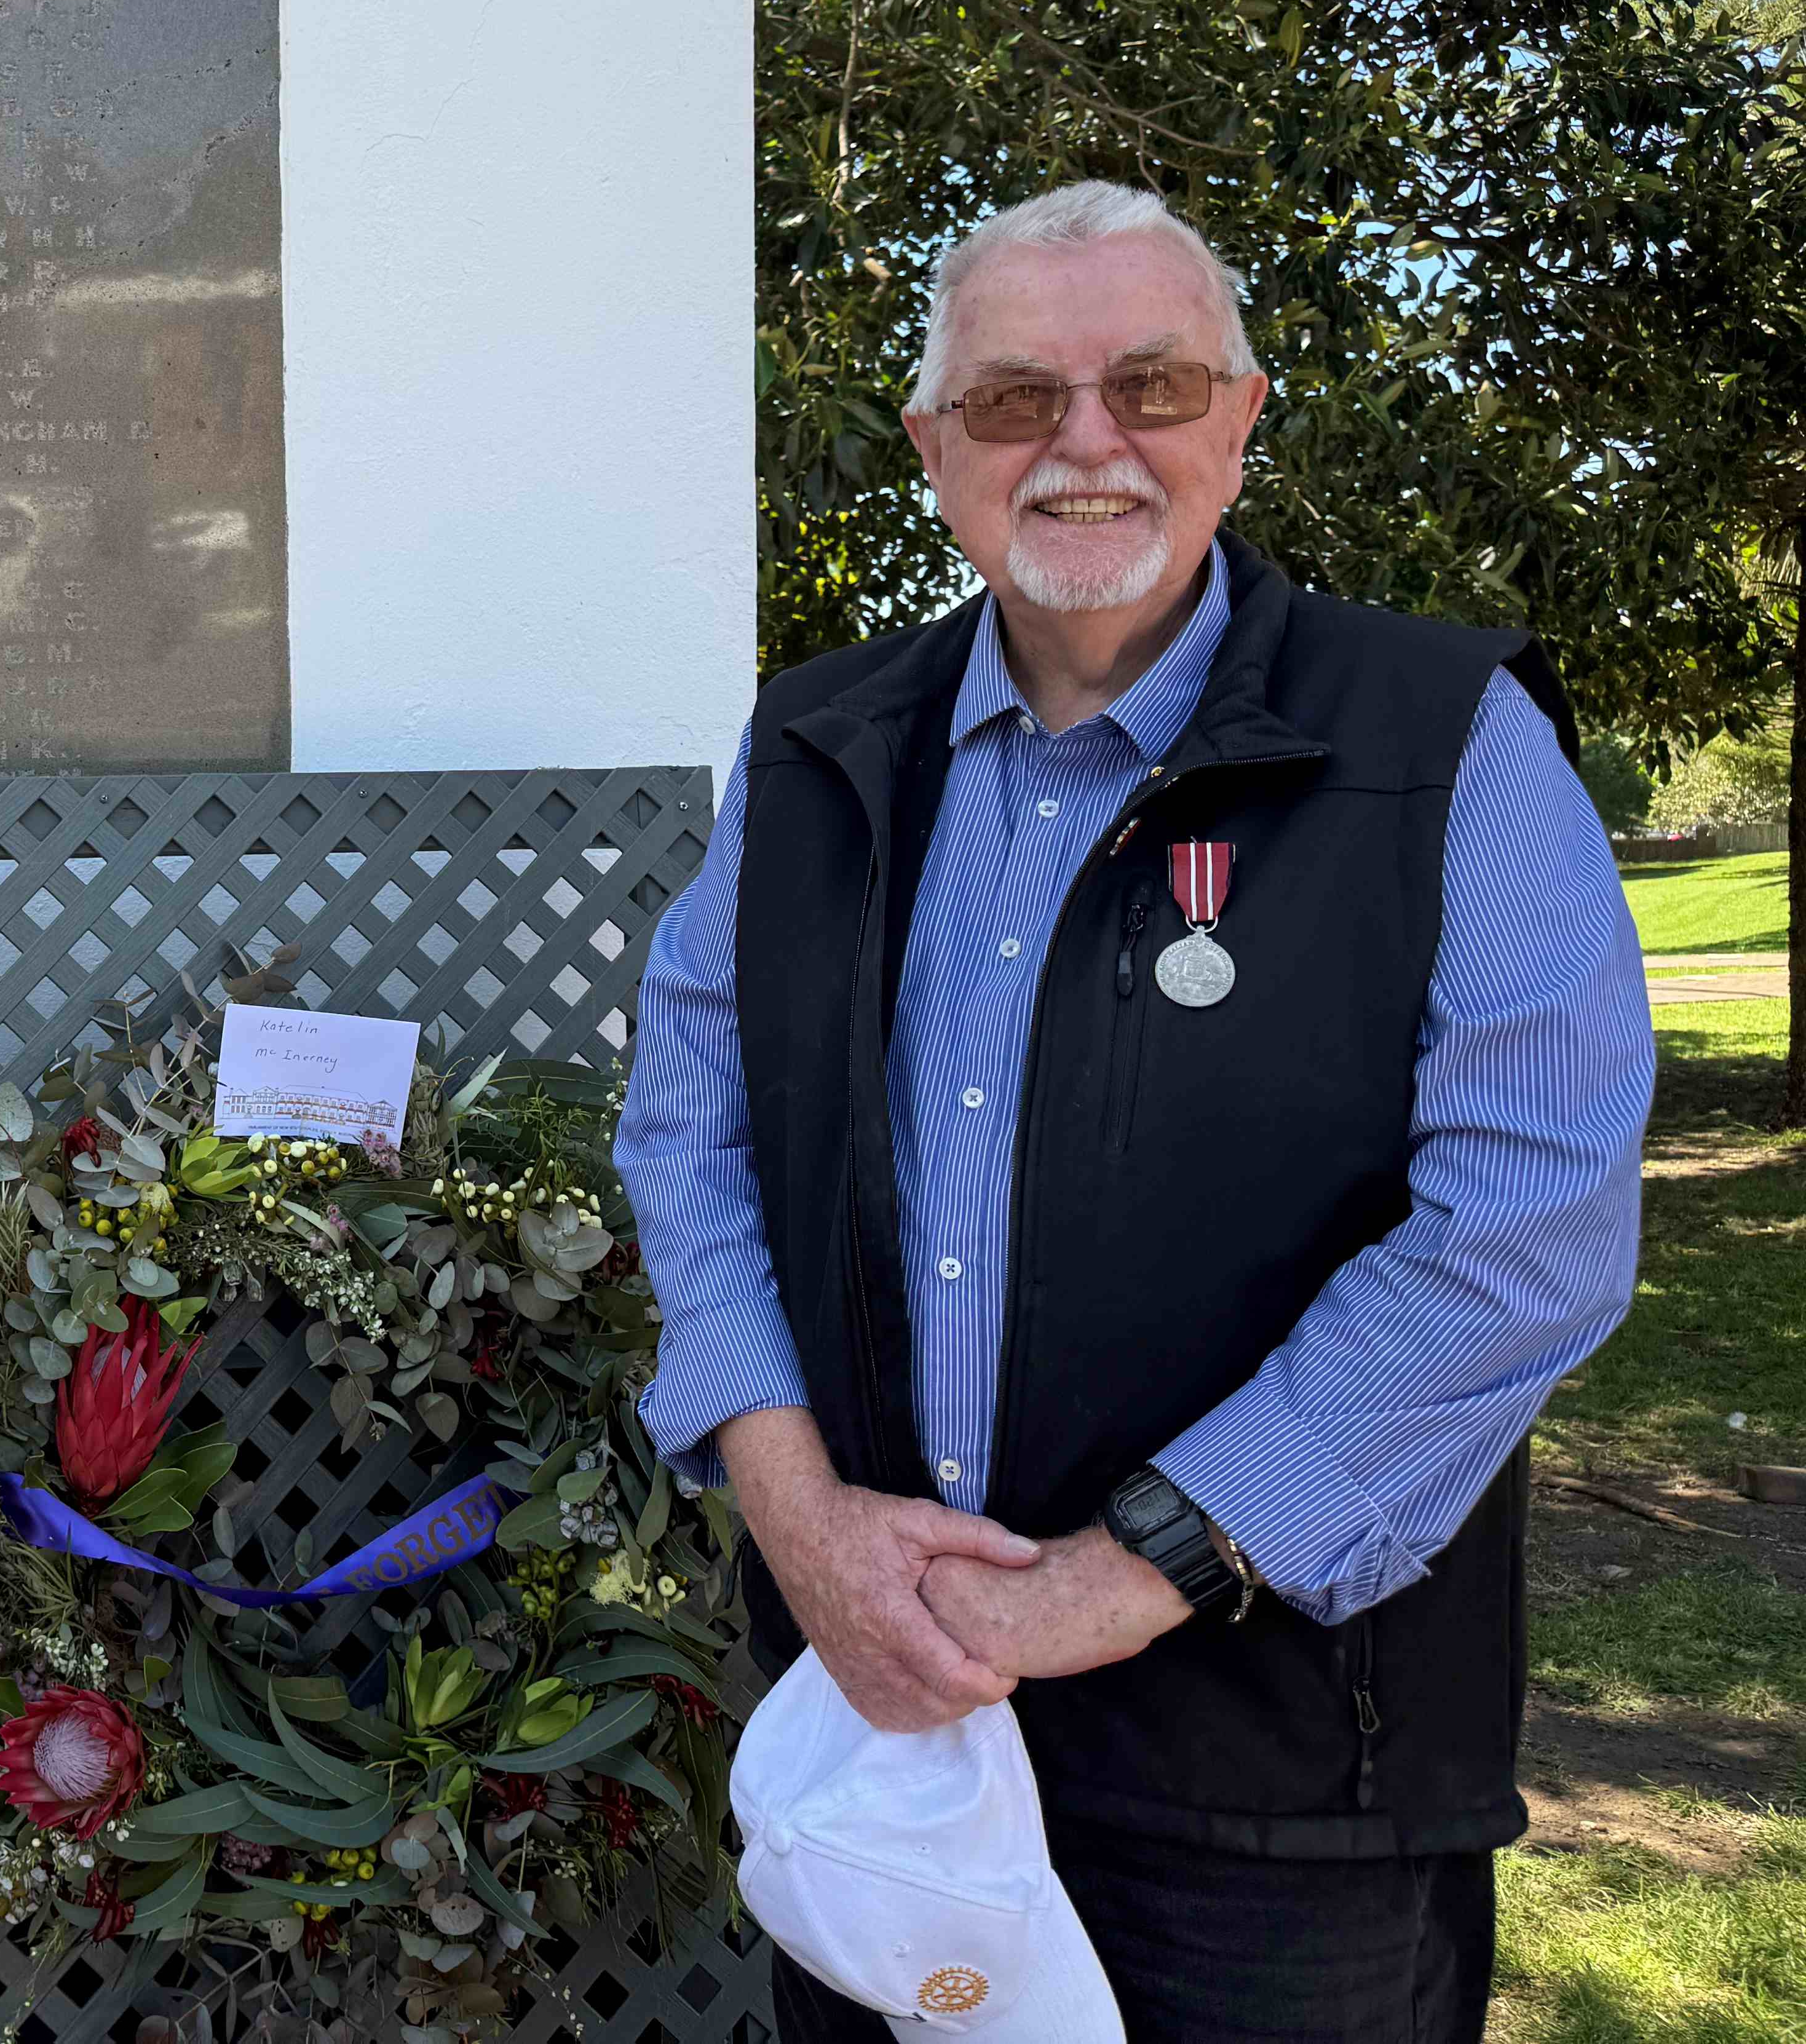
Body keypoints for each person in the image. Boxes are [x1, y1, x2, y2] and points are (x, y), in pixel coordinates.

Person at [619, 181, 1650, 2040]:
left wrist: (1123, 1576)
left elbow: (1527, 1231)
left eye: (1152, 386)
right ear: (935, 448)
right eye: (1017, 399)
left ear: (1243, 419)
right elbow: (688, 1136)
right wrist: (802, 1523)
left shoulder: (1443, 741)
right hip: (888, 1736)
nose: (1087, 444)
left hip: (1275, 1780)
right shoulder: (816, 750)